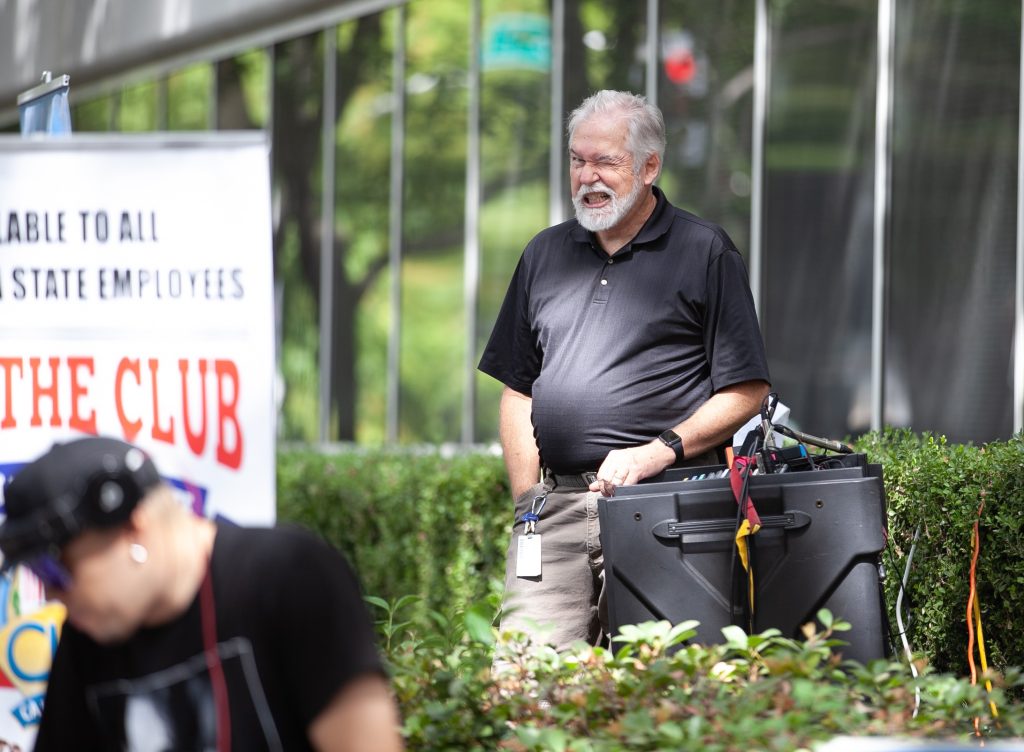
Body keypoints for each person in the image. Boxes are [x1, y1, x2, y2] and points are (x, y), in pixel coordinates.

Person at [478, 90, 771, 652]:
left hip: (664, 505)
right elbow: (518, 390)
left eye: (606, 162)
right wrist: (527, 504)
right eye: (577, 160)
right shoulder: (543, 254)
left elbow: (747, 390)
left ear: (648, 166)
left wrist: (654, 451)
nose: (588, 176)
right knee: (525, 684)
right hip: (555, 512)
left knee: (664, 686)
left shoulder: (704, 251)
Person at [0, 436, 403, 752]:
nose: (53, 595)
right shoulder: (90, 635)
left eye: (55, 569)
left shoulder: (285, 577)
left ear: (133, 529)